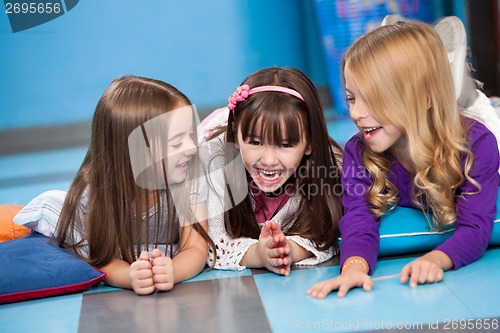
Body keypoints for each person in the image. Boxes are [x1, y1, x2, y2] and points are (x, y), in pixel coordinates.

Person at [307, 20, 499, 299]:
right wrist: (354, 268)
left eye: (372, 98)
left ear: (424, 98)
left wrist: (435, 260)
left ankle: (471, 91)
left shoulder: (477, 144)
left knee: (488, 116)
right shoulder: (358, 152)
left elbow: (475, 227)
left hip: (471, 129)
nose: (356, 113)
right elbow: (358, 219)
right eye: (351, 98)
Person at [20, 75, 215, 295]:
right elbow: (102, 258)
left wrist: (175, 270)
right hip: (67, 214)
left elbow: (196, 247)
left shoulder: (190, 179)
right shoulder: (93, 193)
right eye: (178, 142)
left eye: (190, 135)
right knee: (23, 226)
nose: (191, 148)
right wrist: (129, 276)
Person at [200, 67, 344, 276]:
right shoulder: (213, 164)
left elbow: (327, 229)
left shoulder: (331, 167)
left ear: (310, 143)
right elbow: (208, 242)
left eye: (285, 145)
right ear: (236, 137)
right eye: (255, 142)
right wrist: (257, 255)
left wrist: (288, 250)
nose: (268, 160)